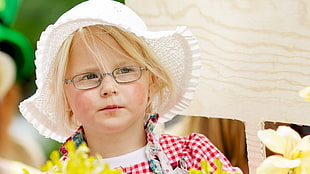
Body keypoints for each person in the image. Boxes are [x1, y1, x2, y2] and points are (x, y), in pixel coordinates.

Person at [19, 0, 242, 173]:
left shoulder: (192, 157)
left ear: (152, 81)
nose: (108, 88)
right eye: (88, 76)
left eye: (125, 71)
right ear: (65, 96)